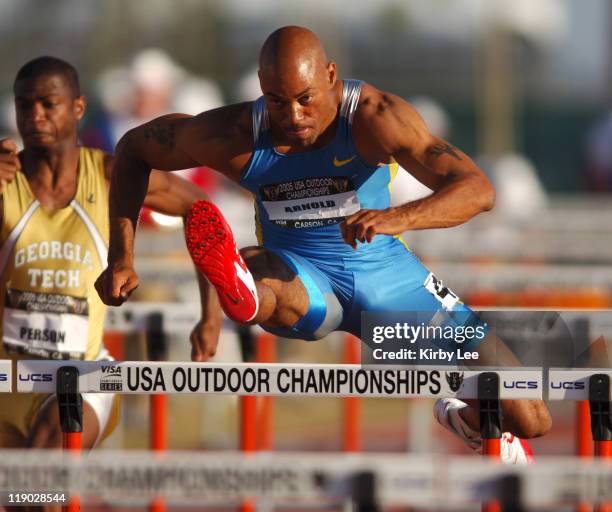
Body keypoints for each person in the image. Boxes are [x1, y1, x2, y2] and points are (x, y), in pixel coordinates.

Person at [96, 27, 552, 462]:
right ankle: (244, 294)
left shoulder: (376, 116)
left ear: (331, 76)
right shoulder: (235, 134)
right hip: (302, 279)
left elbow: (478, 190)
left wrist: (398, 217)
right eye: (277, 102)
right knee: (258, 271)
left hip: (390, 284)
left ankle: (467, 418)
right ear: (260, 88)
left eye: (305, 99)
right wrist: (122, 255)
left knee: (530, 417)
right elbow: (134, 151)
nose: (293, 116)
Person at [0, 56, 222, 455]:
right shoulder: (4, 180)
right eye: (24, 105)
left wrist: (211, 312)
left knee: (45, 468)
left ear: (78, 108)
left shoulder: (108, 175)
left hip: (81, 377)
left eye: (48, 104)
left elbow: (200, 208)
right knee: (24, 498)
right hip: (7, 381)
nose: (34, 116)